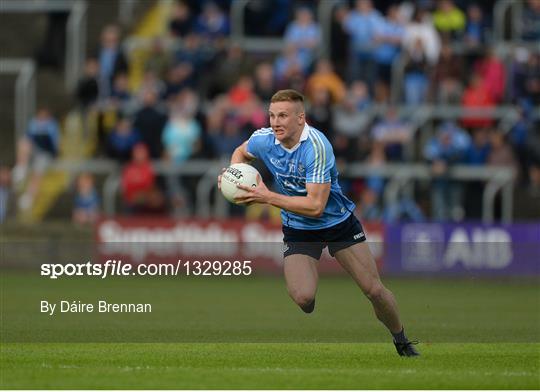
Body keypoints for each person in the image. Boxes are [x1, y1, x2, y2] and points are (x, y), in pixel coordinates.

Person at [218, 89, 419, 357]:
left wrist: (267, 197)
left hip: (337, 223)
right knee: (303, 298)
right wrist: (235, 178)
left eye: (283, 116)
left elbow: (315, 206)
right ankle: (310, 290)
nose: (276, 122)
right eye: (272, 115)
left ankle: (401, 340)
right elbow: (240, 153)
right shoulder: (264, 139)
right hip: (298, 228)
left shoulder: (317, 146)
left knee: (373, 290)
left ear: (301, 118)